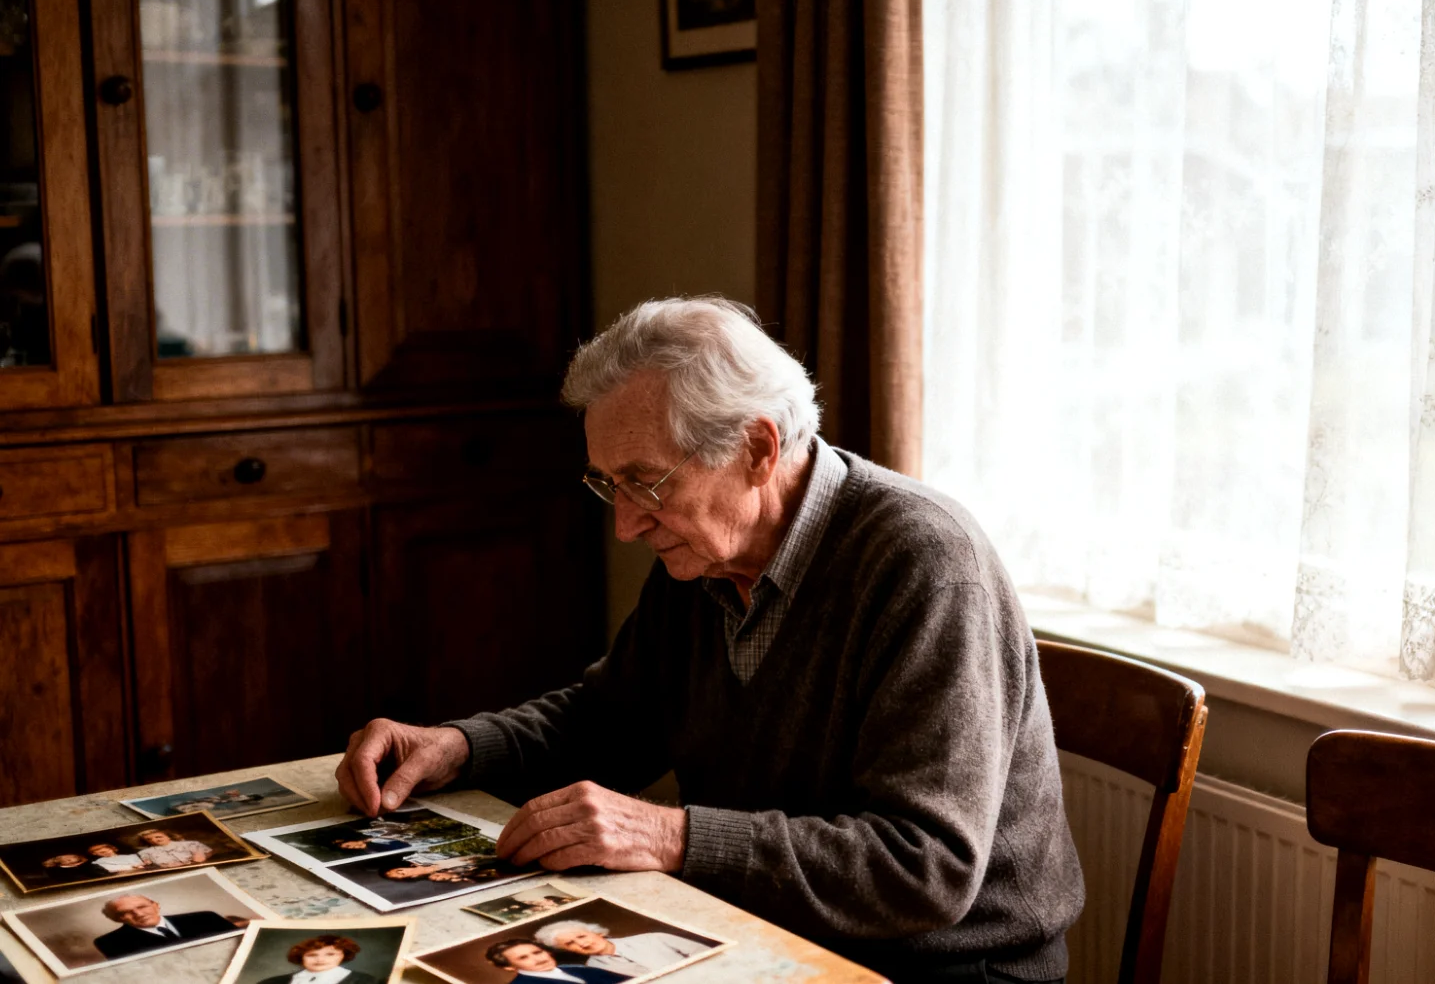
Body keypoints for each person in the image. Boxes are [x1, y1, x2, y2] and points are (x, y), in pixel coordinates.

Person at [336, 296, 1084, 983]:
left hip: (944, 969)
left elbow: (924, 868)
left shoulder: (924, 562)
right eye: (608, 484)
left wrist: (672, 836)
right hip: (761, 936)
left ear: (759, 448)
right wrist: (458, 747)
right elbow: (610, 719)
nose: (626, 524)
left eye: (646, 482)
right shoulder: (704, 554)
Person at [92, 893, 238, 959]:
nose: (139, 914)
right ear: (117, 919)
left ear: (156, 905)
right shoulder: (109, 942)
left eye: (142, 907)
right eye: (125, 913)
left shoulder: (206, 917)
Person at [533, 920, 708, 975]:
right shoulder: (594, 969)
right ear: (568, 950)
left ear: (598, 932)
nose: (582, 943)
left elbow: (708, 954)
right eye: (570, 943)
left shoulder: (654, 938)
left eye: (581, 936)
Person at [256, 933, 380, 984]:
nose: (320, 959)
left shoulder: (364, 981)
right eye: (312, 955)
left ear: (343, 955)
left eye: (330, 954)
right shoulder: (273, 982)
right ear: (301, 957)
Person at [482, 940, 627, 983]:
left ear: (548, 952)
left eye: (537, 952)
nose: (538, 959)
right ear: (508, 967)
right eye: (523, 958)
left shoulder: (584, 969)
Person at [132, 828, 212, 867]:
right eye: (149, 839)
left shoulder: (191, 844)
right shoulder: (145, 853)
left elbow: (203, 858)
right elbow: (146, 865)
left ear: (168, 836)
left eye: (158, 836)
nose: (154, 840)